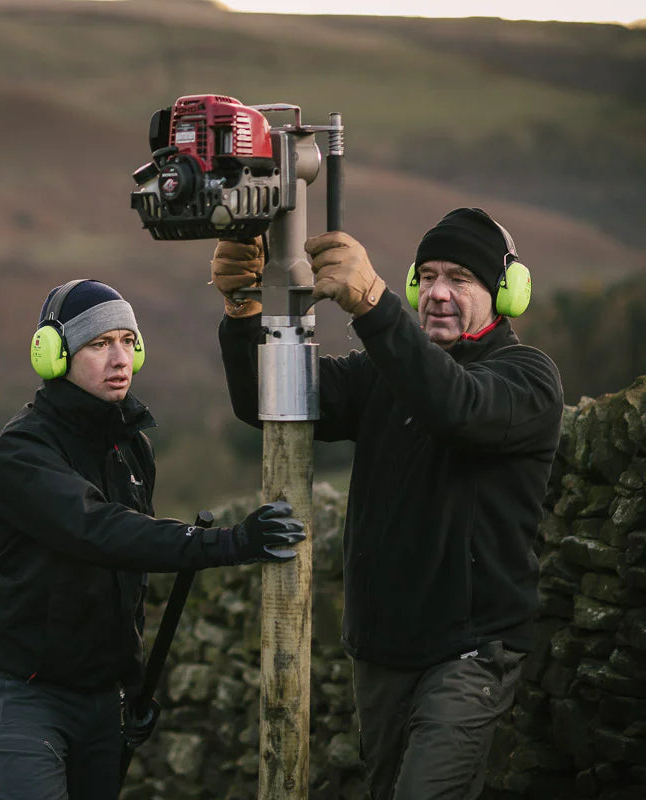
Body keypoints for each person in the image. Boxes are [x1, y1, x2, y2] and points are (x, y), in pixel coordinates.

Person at [210, 208, 564, 799]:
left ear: (506, 292)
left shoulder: (527, 378)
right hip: (381, 652)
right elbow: (268, 401)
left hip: (470, 652)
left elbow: (458, 409)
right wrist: (244, 311)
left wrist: (373, 306)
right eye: (426, 277)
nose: (438, 294)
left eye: (461, 278)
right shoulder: (385, 372)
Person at [0, 278, 306, 800]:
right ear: (54, 355)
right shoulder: (22, 452)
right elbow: (99, 531)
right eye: (99, 344)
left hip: (102, 696)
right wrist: (228, 543)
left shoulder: (133, 448)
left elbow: (126, 582)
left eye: (127, 340)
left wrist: (130, 685)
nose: (119, 357)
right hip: (21, 691)